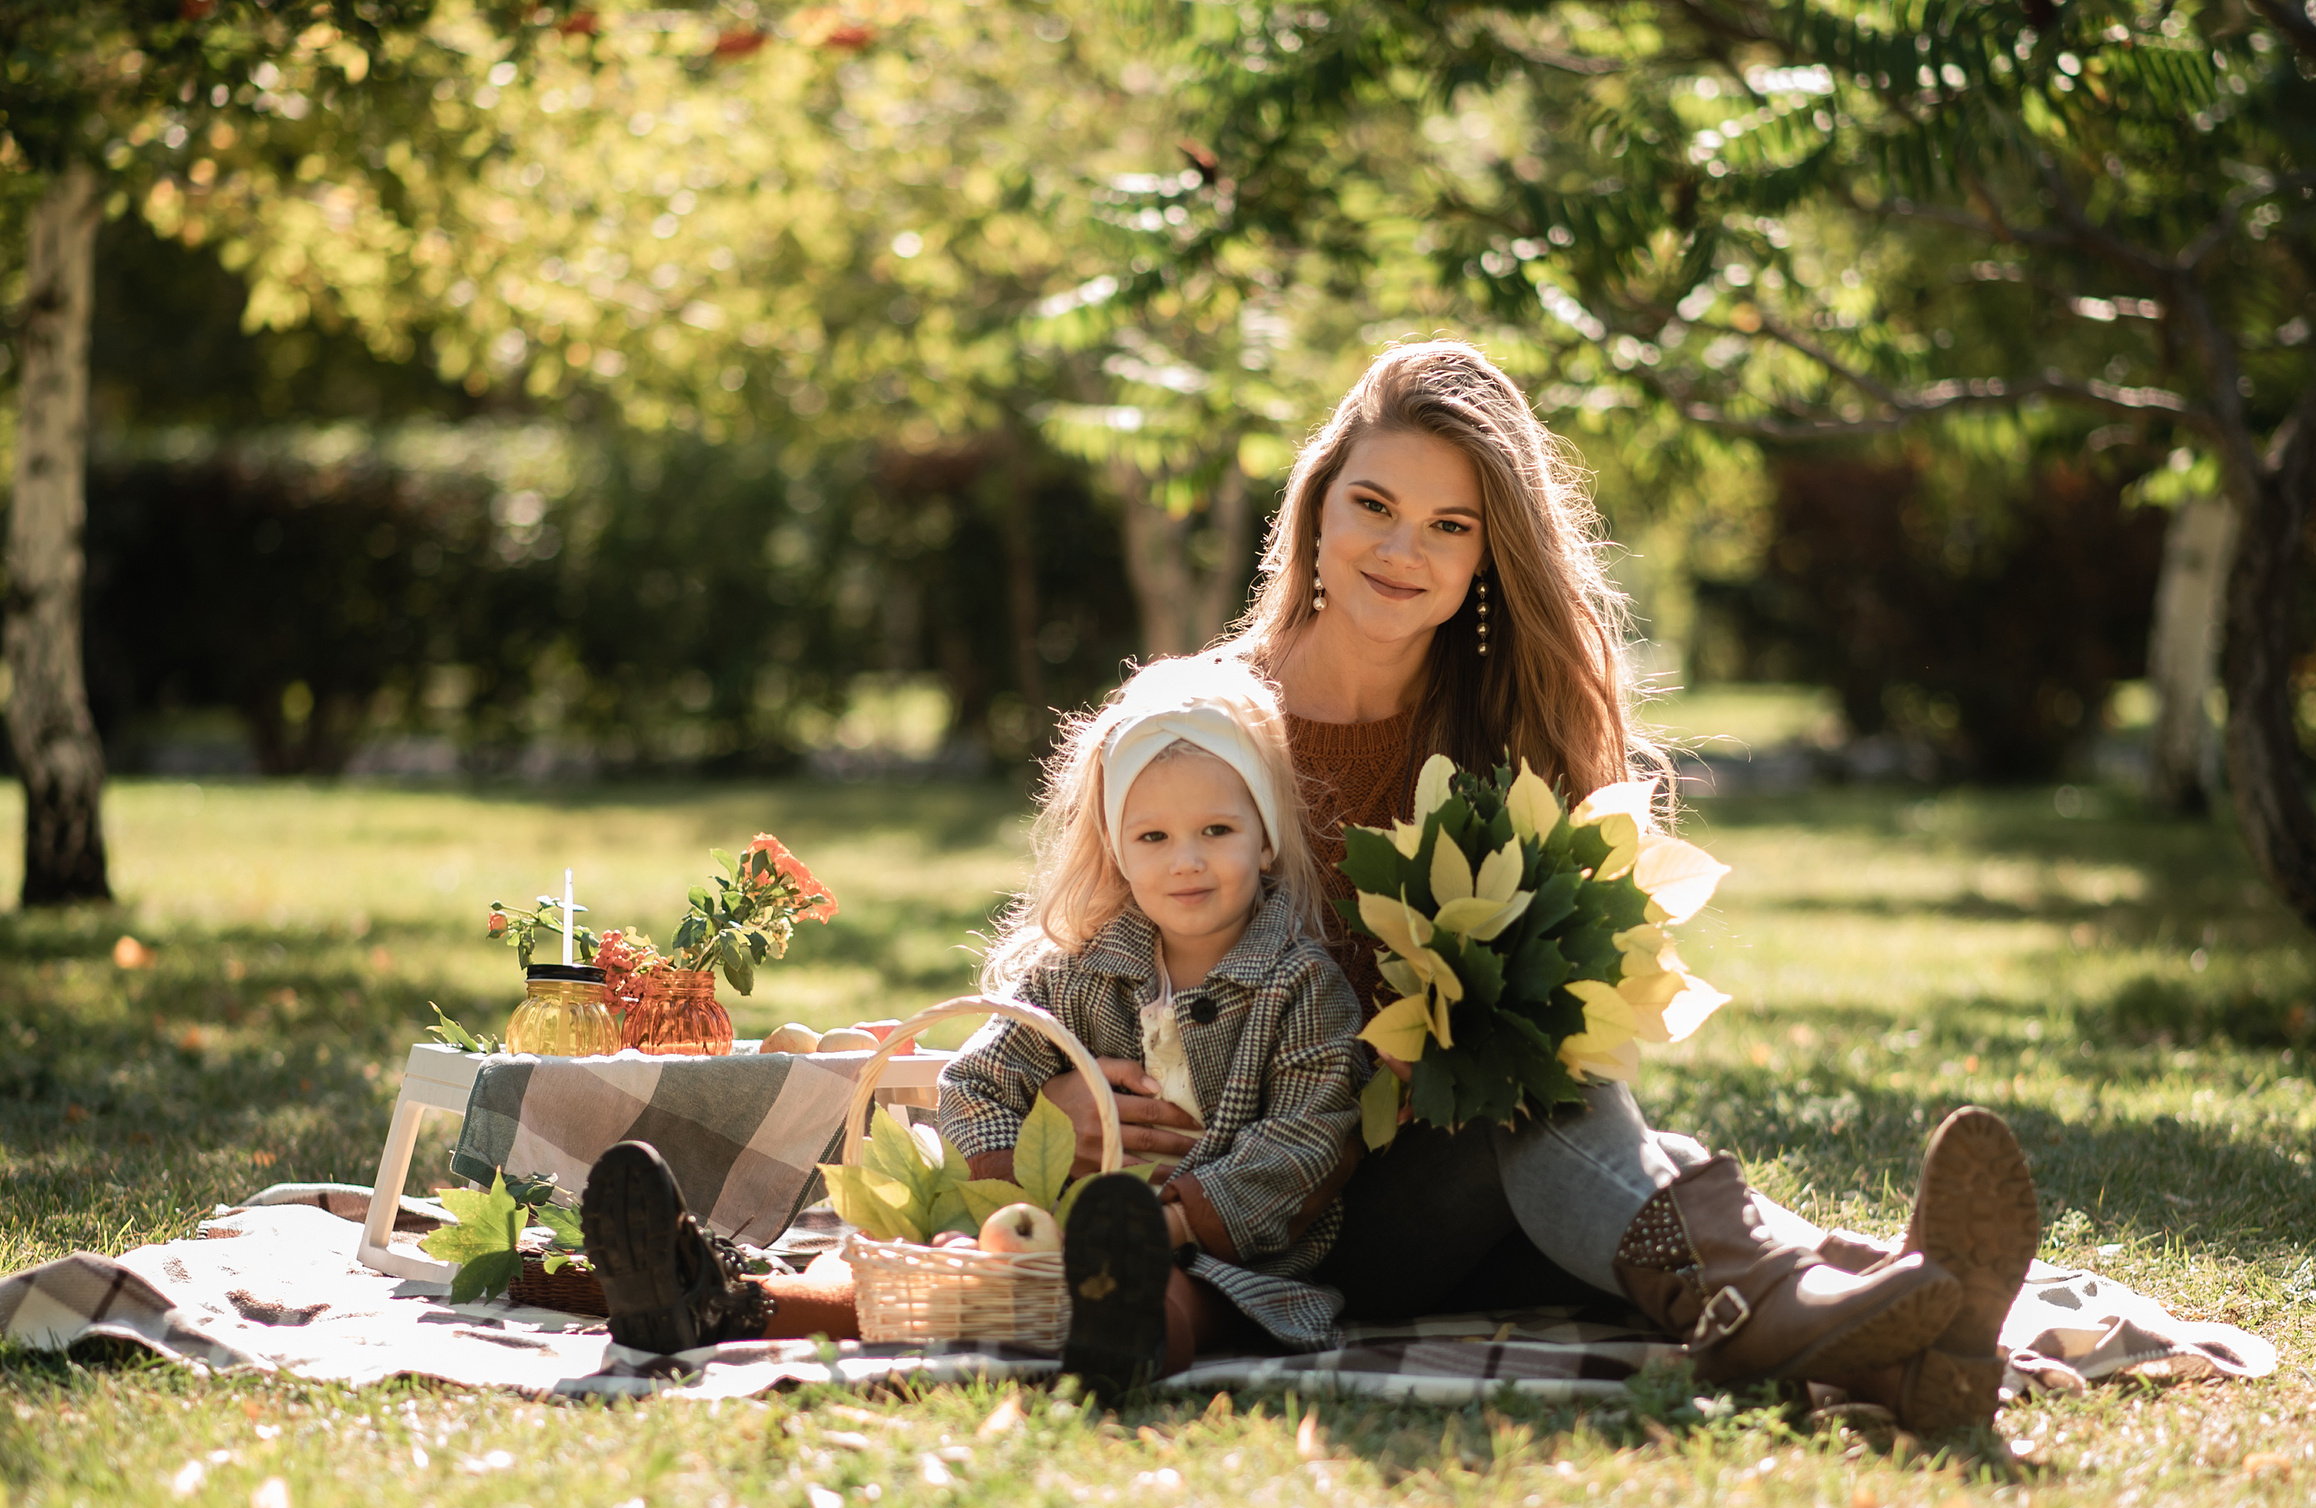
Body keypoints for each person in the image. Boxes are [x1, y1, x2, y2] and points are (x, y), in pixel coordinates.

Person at [1023, 341, 2041, 1427]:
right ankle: (1867, 1299)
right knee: (1564, 1125)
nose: (1401, 547)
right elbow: (1065, 944)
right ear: (1316, 510)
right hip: (1269, 1210)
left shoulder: (1501, 737)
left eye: (1448, 526)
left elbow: (1558, 1001)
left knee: (1545, 1099)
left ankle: (1909, 1343)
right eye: (1372, 504)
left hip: (1460, 1190)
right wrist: (1055, 1096)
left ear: (1483, 561)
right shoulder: (1203, 726)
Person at [584, 655, 1370, 1398]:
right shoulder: (1077, 972)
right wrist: (1007, 1188)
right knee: (923, 1271)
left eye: (1217, 832)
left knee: (1178, 1291)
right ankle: (719, 1300)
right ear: (1120, 853)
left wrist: (1168, 1219)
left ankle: (1123, 1334)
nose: (1185, 861)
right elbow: (977, 1083)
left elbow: (1307, 1140)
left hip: (1219, 1255)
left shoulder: (1300, 984)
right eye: (1153, 837)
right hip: (1035, 1225)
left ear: (1265, 836)